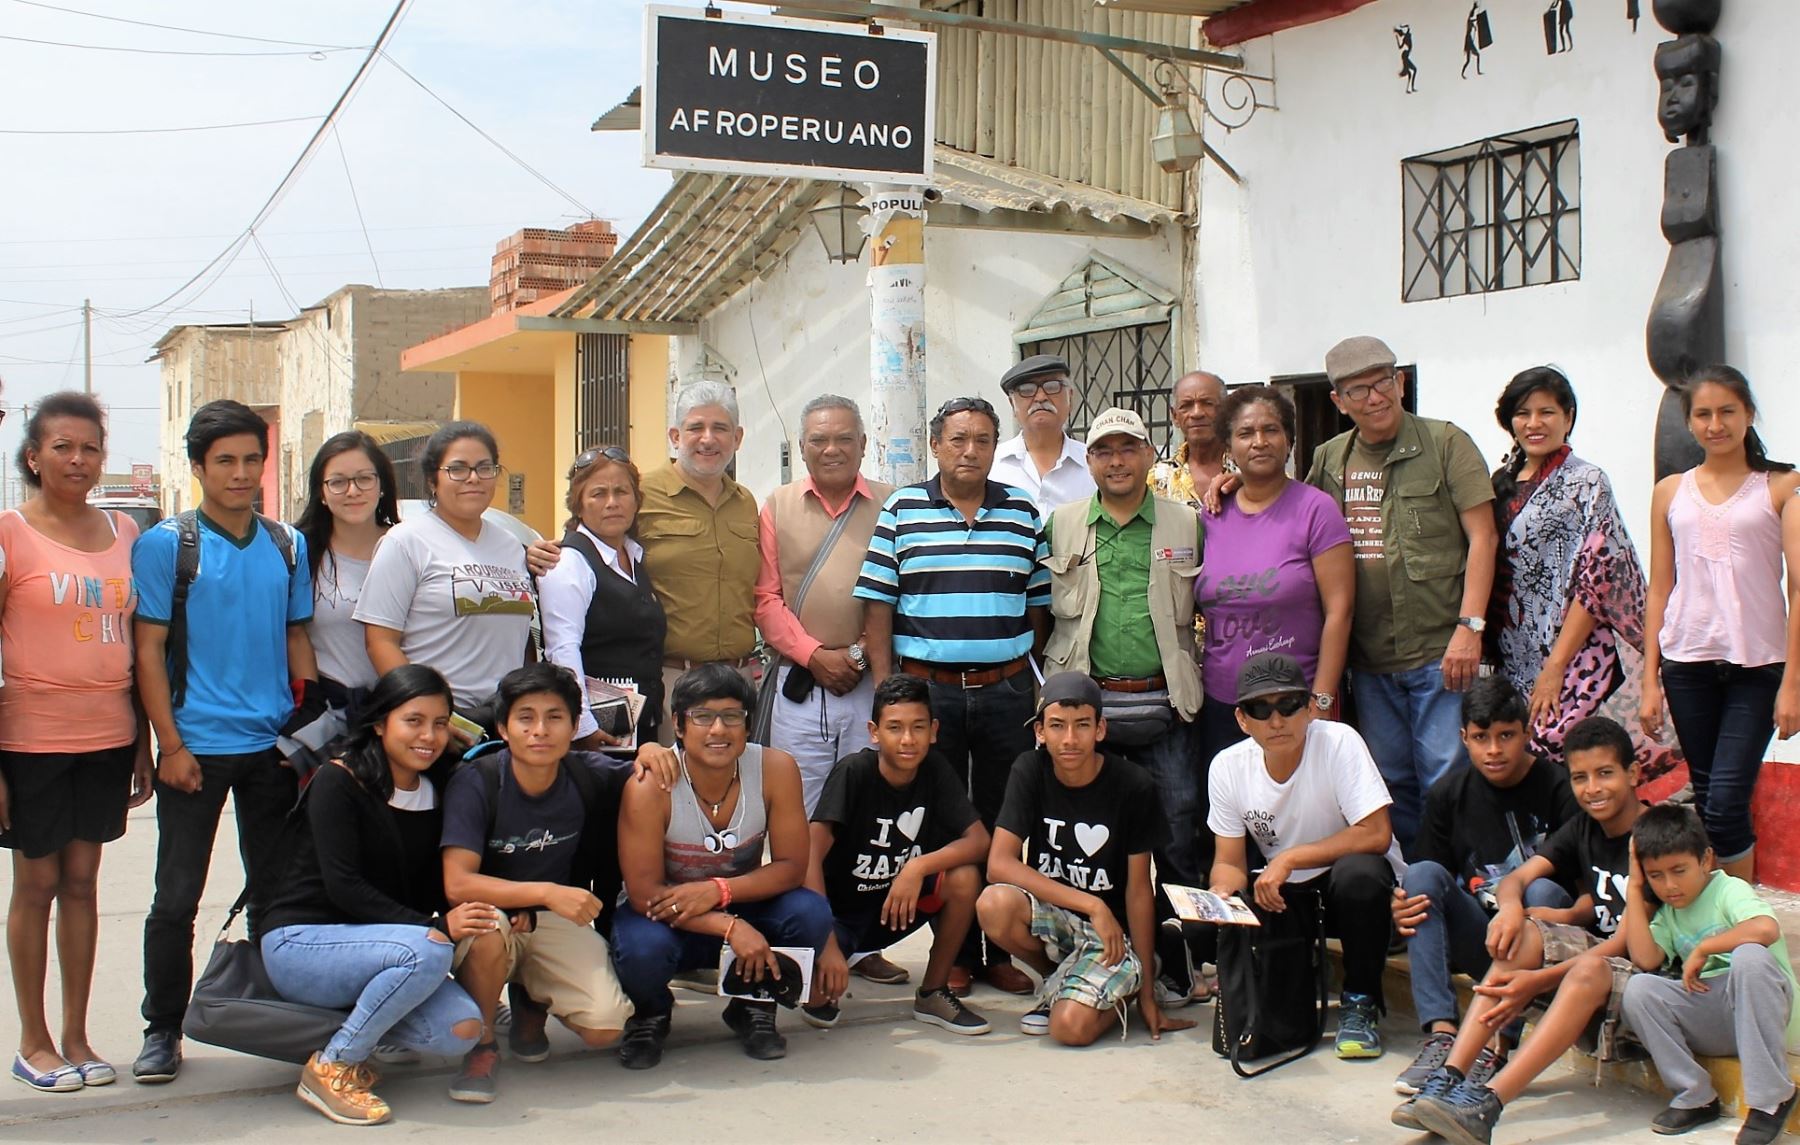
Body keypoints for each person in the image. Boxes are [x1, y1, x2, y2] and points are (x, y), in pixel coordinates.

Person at [133, 399, 317, 1084]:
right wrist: (170, 745)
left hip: (271, 748)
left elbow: (298, 637)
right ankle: (162, 1027)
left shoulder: (285, 544)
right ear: (198, 467)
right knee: (175, 896)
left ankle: (282, 1015)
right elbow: (147, 651)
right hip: (196, 748)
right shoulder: (167, 545)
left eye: (250, 460)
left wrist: (305, 733)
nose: (240, 474)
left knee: (277, 894)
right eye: (225, 461)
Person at [855, 396, 1050, 997]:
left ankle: (996, 951)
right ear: (935, 445)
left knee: (1003, 820)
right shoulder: (902, 510)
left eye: (984, 440)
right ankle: (956, 952)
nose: (971, 451)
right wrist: (893, 694)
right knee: (942, 824)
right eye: (959, 439)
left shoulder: (1022, 513)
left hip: (1004, 693)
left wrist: (1012, 667)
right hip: (930, 695)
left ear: (997, 447)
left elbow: (1039, 609)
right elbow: (879, 607)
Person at [1398, 717, 1644, 1145]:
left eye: (1605, 774)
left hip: (1646, 975)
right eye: (1581, 778)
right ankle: (1451, 1077)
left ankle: (1487, 1103)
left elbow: (1630, 944)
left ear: (1633, 773)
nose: (1593, 789)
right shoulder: (1584, 827)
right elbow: (1516, 881)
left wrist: (1538, 980)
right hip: (1603, 959)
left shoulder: (1654, 835)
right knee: (1526, 932)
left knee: (1586, 971)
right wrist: (1512, 910)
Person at [258, 665, 487, 1126]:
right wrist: (436, 929)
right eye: (414, 721)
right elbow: (345, 888)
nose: (429, 735)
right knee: (428, 950)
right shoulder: (339, 780)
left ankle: (363, 1033)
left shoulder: (438, 787)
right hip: (302, 943)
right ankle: (335, 1065)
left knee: (463, 1029)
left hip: (384, 947)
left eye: (440, 724)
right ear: (381, 723)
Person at [0, 394, 150, 1093]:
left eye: (89, 447)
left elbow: (143, 645)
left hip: (109, 733)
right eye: (62, 446)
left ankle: (78, 1034)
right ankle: (33, 1041)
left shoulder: (124, 530)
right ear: (34, 455)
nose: (77, 459)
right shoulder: (10, 533)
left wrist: (145, 740)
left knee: (84, 884)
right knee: (36, 883)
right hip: (30, 737)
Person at [1306, 335, 1497, 855]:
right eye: (1358, 389)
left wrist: (1470, 627)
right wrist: (1231, 487)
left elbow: (1483, 535)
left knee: (1445, 773)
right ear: (1338, 402)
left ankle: (1457, 885)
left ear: (1401, 382)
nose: (1374, 398)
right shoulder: (1328, 460)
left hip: (1441, 651)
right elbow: (1292, 517)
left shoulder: (1446, 443)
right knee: (1388, 782)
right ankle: (1413, 886)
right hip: (1369, 659)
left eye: (1383, 382)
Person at [441, 662, 654, 1104]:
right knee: (486, 931)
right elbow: (458, 883)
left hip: (551, 921)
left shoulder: (585, 773)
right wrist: (545, 893)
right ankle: (481, 1046)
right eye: (526, 718)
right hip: (493, 915)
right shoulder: (477, 781)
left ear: (576, 725)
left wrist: (651, 752)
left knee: (605, 1027)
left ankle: (529, 999)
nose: (540, 730)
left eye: (555, 717)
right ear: (503, 727)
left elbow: (641, 770)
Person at [612, 664, 832, 1069]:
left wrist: (720, 893)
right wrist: (730, 926)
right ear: (678, 725)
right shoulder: (651, 785)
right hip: (667, 916)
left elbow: (791, 866)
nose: (718, 730)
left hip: (740, 901)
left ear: (747, 724)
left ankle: (753, 1004)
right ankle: (652, 1012)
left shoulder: (775, 769)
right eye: (702, 717)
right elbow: (645, 894)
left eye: (732, 716)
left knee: (810, 913)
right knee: (642, 950)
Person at [1041, 408, 1206, 916]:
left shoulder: (1187, 522)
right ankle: (1096, 945)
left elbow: (1207, 607)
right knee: (1088, 833)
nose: (1117, 461)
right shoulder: (1061, 525)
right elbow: (1041, 618)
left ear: (1150, 455)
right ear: (1087, 461)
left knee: (1179, 830)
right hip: (1087, 708)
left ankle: (1181, 953)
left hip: (1167, 702)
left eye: (1128, 448)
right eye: (1104, 451)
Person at [1643, 366, 1800, 882]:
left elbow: (1797, 589)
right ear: (1689, 423)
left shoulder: (1782, 486)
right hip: (1687, 662)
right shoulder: (1670, 492)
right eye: (1703, 414)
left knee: (1727, 800)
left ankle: (1744, 928)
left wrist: (1793, 685)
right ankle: (1727, 925)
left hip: (1759, 665)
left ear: (1748, 415)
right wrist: (1650, 679)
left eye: (1727, 411)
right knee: (1710, 799)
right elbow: (1660, 587)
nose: (1716, 424)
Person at [1206, 652, 1404, 1059]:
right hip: (1288, 895)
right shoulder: (1226, 767)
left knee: (1358, 875)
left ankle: (1360, 1001)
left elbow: (1377, 833)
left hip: (1357, 891)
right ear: (1242, 720)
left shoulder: (1339, 742)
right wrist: (1222, 896)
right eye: (1260, 709)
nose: (1276, 721)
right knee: (1227, 909)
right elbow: (1228, 862)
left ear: (1311, 708)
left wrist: (1290, 858)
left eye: (1288, 705)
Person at [976, 672, 1193, 1044]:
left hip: (1113, 935)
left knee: (1068, 1030)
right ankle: (1061, 978)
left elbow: (1140, 890)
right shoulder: (1030, 769)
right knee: (994, 904)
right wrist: (1091, 904)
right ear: (1040, 732)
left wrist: (1144, 995)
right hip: (1063, 919)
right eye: (1057, 726)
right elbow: (999, 864)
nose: (1070, 739)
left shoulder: (1133, 785)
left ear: (1101, 729)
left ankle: (1141, 972)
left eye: (1082, 726)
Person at [1389, 676, 1581, 1095]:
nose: (1494, 750)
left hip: (1550, 947)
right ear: (1464, 738)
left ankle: (1501, 1039)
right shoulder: (1448, 794)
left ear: (1527, 733)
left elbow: (1583, 892)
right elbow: (1429, 887)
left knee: (1541, 891)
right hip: (1486, 940)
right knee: (1420, 877)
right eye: (1481, 738)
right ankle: (1441, 1034)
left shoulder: (1560, 788)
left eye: (1506, 736)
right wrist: (1403, 905)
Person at [1486, 367, 1672, 777]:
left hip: (1576, 653)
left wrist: (1555, 667)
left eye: (1547, 412)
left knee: (1560, 749)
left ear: (1568, 417)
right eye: (1523, 413)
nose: (1534, 423)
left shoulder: (1587, 483)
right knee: (1518, 761)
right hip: (1513, 656)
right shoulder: (1498, 484)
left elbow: (1596, 580)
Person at [802, 674, 992, 1034]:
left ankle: (933, 991)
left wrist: (917, 868)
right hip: (839, 917)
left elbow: (979, 840)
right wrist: (825, 942)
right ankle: (840, 956)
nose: (908, 739)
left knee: (965, 876)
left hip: (894, 909)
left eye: (918, 727)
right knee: (815, 1002)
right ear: (874, 732)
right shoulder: (854, 772)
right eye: (895, 728)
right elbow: (809, 858)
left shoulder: (934, 769)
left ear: (934, 730)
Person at [1196, 385, 1353, 772]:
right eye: (1246, 433)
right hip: (1224, 703)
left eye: (1271, 430)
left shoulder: (1316, 509)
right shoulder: (1212, 515)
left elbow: (1340, 610)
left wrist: (1321, 701)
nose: (1259, 442)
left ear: (1289, 441)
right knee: (1232, 818)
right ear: (1228, 448)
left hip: (1293, 705)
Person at [1622, 804, 1800, 1143]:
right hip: (1718, 1017)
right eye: (1656, 876)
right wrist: (1634, 887)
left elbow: (1765, 929)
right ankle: (1695, 1096)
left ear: (1705, 860)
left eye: (1679, 870)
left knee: (1749, 956)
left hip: (1767, 1012)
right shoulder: (1669, 914)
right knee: (1639, 990)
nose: (1670, 885)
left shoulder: (1728, 890)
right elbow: (1645, 958)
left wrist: (1706, 948)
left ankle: (1771, 1099)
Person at [754, 395, 894, 814]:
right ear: (801, 448)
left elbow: (903, 593)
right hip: (800, 684)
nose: (831, 449)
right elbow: (765, 599)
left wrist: (860, 653)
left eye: (844, 439)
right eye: (818, 440)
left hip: (868, 682)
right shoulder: (777, 506)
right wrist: (814, 656)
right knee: (799, 808)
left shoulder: (894, 505)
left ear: (864, 444)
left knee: (868, 803)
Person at [356, 421, 536, 739]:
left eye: (485, 468)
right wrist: (431, 716)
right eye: (457, 469)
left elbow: (521, 640)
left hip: (504, 722)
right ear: (432, 480)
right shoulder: (406, 541)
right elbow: (380, 641)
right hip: (438, 728)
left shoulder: (510, 545)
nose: (473, 478)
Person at [637, 381, 761, 741]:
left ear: (737, 438)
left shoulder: (746, 503)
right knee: (670, 789)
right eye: (696, 428)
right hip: (673, 680)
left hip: (738, 681)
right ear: (675, 435)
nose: (708, 439)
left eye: (720, 428)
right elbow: (594, 552)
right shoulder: (640, 494)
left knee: (735, 789)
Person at [538, 445, 666, 749]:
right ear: (579, 504)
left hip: (638, 725)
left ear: (636, 501)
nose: (612, 503)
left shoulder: (634, 557)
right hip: (597, 733)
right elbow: (563, 650)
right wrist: (582, 726)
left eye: (621, 492)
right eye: (598, 494)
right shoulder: (570, 563)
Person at [292, 431, 399, 725]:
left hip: (402, 716)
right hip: (326, 716)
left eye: (364, 478)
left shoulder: (409, 546)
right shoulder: (298, 553)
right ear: (321, 493)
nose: (353, 491)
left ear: (381, 486)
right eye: (338, 482)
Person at [988, 355, 1096, 515]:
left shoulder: (1094, 464)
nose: (1040, 397)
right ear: (1012, 405)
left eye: (1052, 386)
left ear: (1070, 397)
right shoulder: (991, 464)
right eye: (1026, 390)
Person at [1148, 370, 1230, 508]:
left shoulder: (1247, 470)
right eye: (1186, 406)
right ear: (1175, 416)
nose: (1197, 413)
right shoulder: (1157, 478)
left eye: (1207, 403)